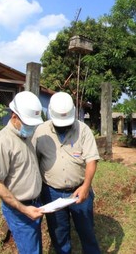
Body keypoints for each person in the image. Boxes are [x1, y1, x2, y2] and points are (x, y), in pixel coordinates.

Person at [34, 92, 100, 254]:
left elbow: (92, 160)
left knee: (87, 231)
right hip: (52, 192)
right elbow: (34, 160)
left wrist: (86, 186)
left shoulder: (83, 130)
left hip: (79, 191)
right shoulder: (40, 132)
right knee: (59, 234)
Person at [0, 91, 44, 254]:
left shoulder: (25, 137)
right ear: (14, 116)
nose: (31, 127)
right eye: (28, 123)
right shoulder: (2, 143)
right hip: (20, 209)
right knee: (30, 250)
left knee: (34, 246)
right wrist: (24, 210)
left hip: (34, 204)